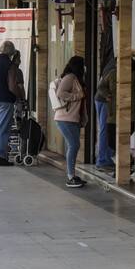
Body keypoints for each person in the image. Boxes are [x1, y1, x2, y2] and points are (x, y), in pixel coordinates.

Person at [0, 40, 24, 166]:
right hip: (4, 100)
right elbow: (12, 86)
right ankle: (0, 156)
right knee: (2, 128)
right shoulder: (9, 64)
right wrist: (20, 96)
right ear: (11, 52)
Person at [55, 56, 88, 189]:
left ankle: (72, 175)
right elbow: (60, 93)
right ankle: (70, 176)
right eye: (83, 65)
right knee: (74, 145)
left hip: (72, 118)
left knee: (74, 146)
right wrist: (76, 96)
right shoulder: (70, 77)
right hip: (65, 118)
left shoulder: (77, 79)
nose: (85, 68)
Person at [94, 61, 116, 171]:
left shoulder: (110, 64)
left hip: (100, 100)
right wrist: (108, 96)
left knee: (104, 129)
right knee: (105, 129)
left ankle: (104, 158)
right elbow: (101, 87)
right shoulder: (114, 68)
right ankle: (102, 160)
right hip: (104, 101)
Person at [11, 50, 26, 124]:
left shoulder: (7, 69)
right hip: (17, 99)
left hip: (8, 99)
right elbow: (20, 87)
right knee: (18, 119)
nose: (20, 60)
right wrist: (24, 99)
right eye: (19, 58)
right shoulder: (18, 71)